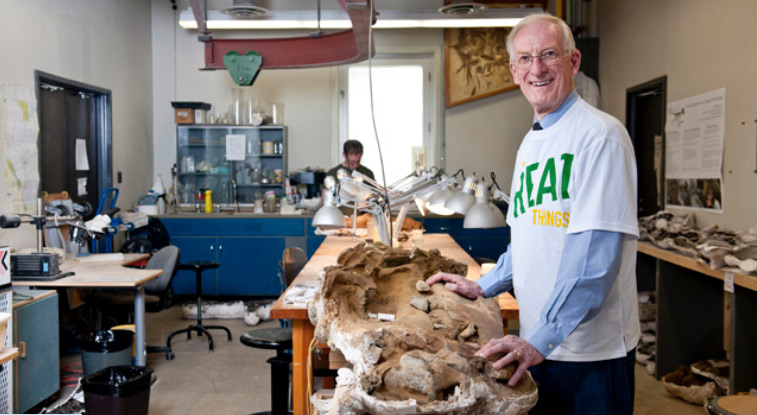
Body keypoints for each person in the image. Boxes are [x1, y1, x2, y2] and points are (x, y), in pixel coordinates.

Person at [427, 13, 640, 415]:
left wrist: (539, 339)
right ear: (513, 70)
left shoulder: (600, 137)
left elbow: (594, 262)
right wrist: (484, 284)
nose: (536, 69)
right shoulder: (531, 143)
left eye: (548, 55)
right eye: (524, 59)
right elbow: (529, 238)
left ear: (573, 62)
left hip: (590, 354)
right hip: (541, 344)